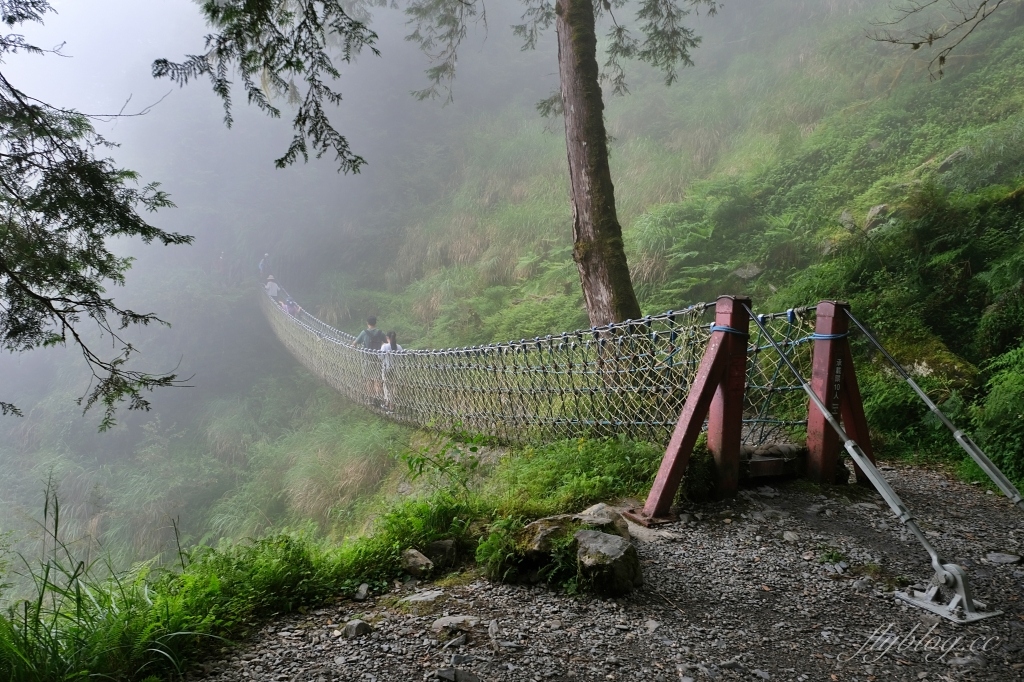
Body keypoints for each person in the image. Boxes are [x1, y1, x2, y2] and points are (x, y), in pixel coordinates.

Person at [380, 331, 403, 412]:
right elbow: (400, 358)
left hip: (386, 369)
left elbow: (381, 357)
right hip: (396, 369)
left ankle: (388, 403)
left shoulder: (384, 346)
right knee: (394, 386)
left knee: (387, 387)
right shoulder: (399, 347)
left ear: (387, 338)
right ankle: (393, 404)